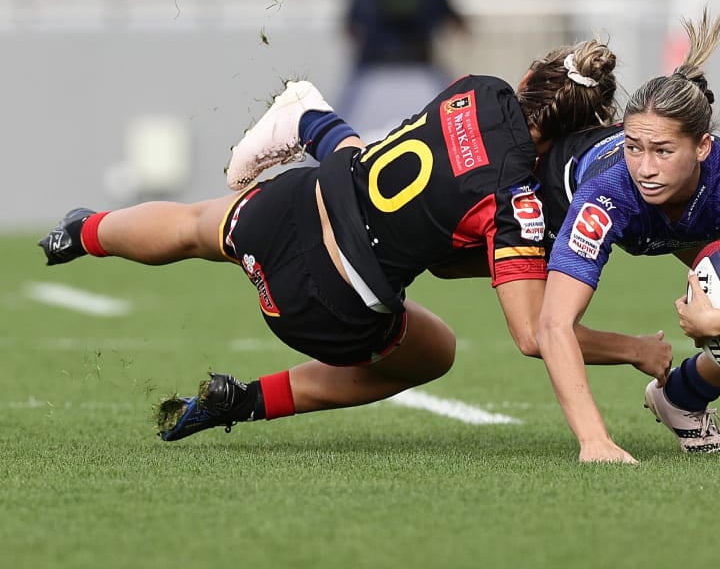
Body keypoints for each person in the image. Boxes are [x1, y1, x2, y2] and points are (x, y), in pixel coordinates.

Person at [38, 38, 672, 463]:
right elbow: (537, 334)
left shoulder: (475, 87)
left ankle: (84, 230)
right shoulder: (518, 202)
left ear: (533, 79)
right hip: (325, 302)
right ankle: (243, 401)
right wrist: (635, 350)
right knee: (435, 352)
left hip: (297, 204)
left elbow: (442, 227)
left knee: (197, 223)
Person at [536, 9, 720, 463]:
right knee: (531, 335)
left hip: (675, 227)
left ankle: (680, 397)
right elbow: (553, 325)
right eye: (633, 147)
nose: (645, 167)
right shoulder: (607, 193)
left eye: (662, 151)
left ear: (702, 146)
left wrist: (715, 323)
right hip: (542, 207)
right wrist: (594, 441)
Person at [335, 0, 467, 142]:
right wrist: (454, 17)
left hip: (374, 58)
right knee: (452, 128)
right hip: (419, 54)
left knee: (347, 127)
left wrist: (352, 22)